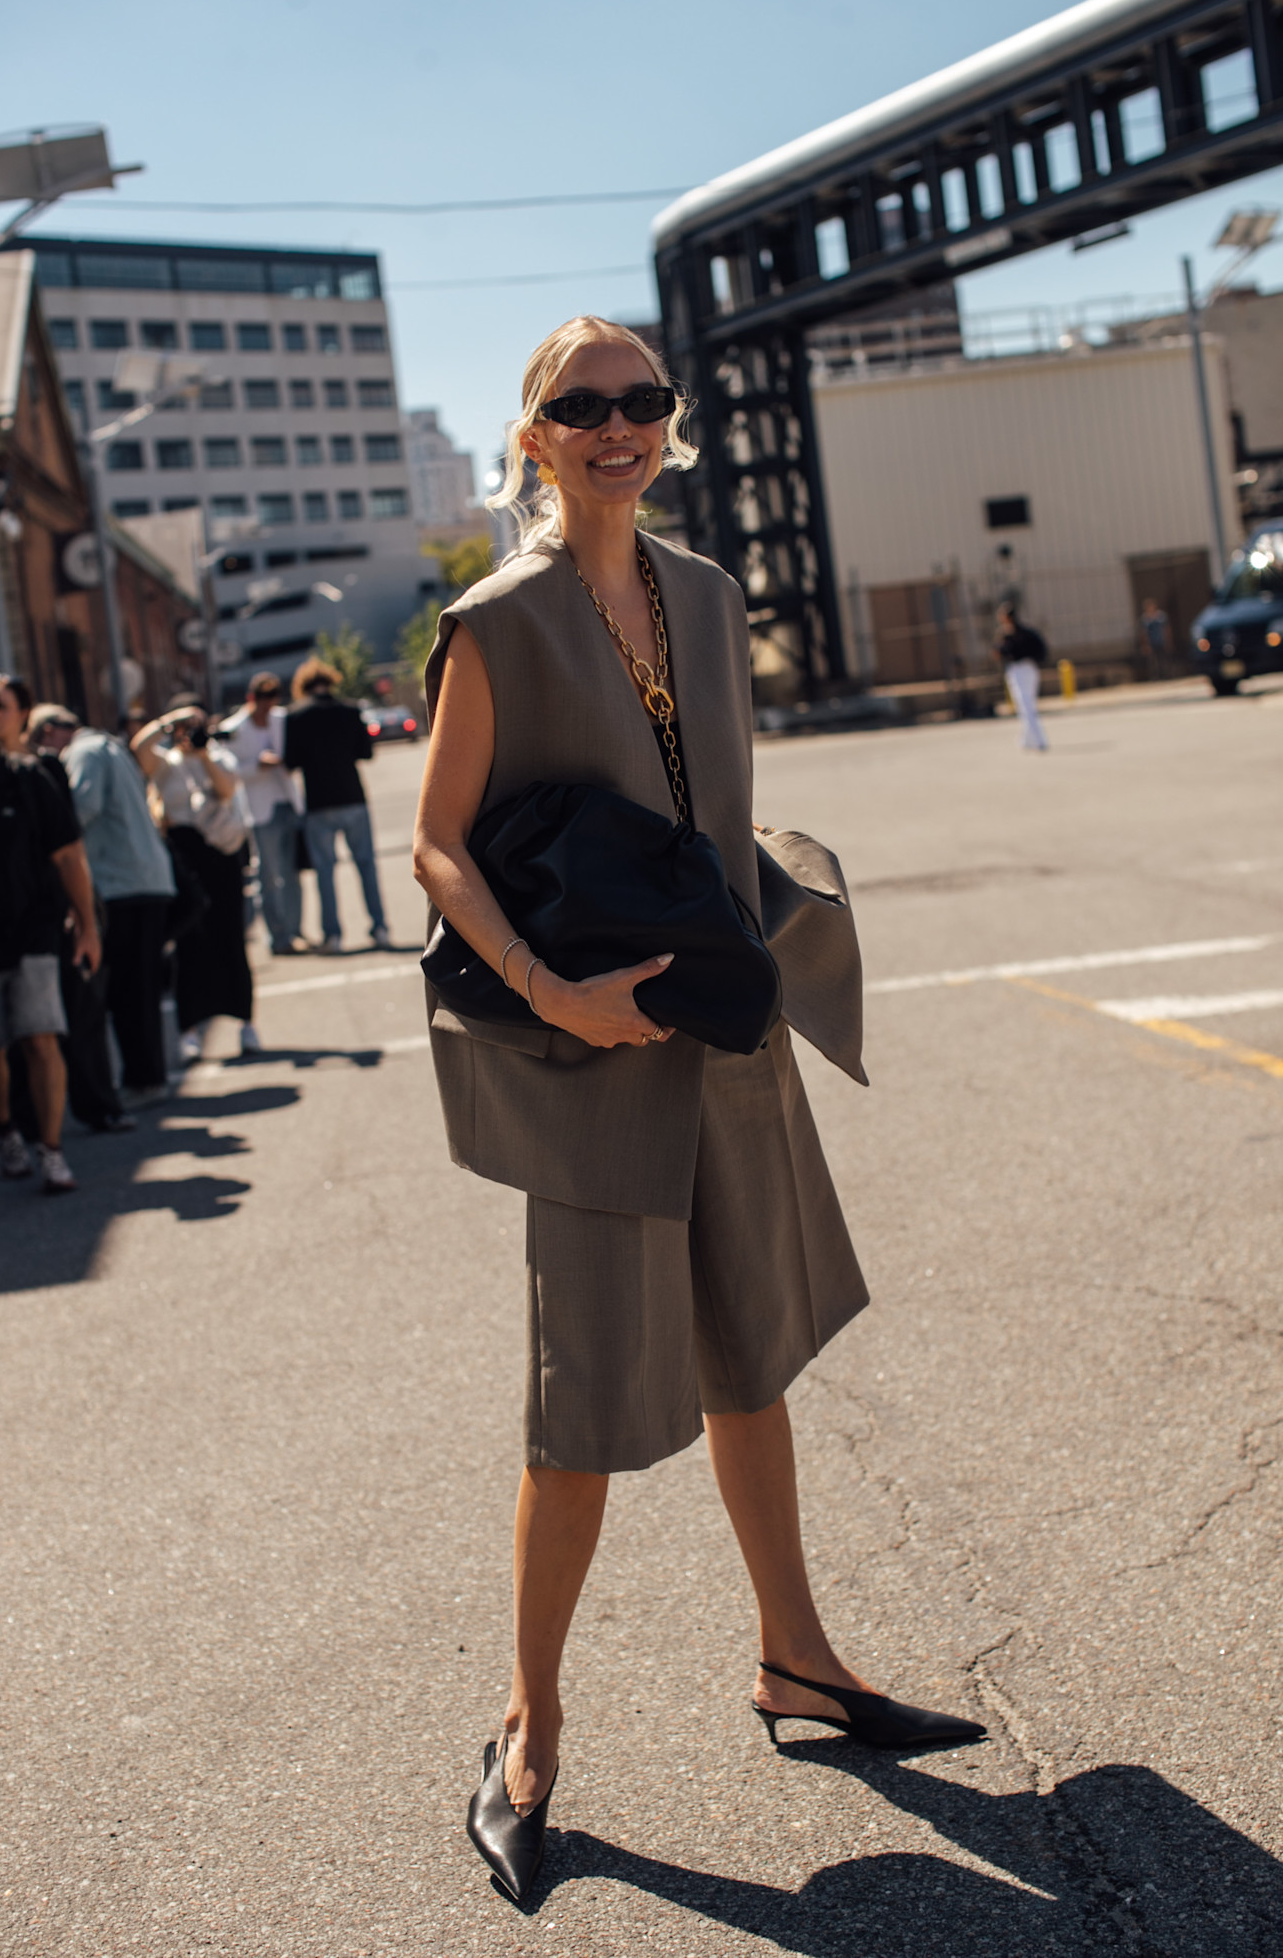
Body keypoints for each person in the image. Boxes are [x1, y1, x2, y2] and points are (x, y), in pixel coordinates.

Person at [412, 317, 984, 1903]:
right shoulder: (498, 620)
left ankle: (796, 1661)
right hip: (591, 1049)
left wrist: (778, 901)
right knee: (580, 1409)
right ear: (534, 438)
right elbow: (440, 847)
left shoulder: (713, 599)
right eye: (581, 406)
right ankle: (527, 1727)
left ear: (668, 426)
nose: (617, 425)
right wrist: (552, 993)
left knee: (750, 1355)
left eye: (641, 401)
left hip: (727, 1043)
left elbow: (699, 806)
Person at [0, 675, 100, 1194]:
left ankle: (51, 1149)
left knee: (42, 1038)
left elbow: (68, 856)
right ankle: (6, 1132)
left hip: (35, 931)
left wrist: (87, 926)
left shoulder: (28, 779)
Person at [0, 690, 136, 1138]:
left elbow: (71, 852)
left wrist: (84, 915)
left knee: (80, 1014)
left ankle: (99, 1107)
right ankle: (19, 1124)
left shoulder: (44, 771)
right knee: (10, 1034)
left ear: (20, 716)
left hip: (52, 918)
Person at [132, 704, 260, 1062]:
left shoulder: (218, 756)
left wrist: (203, 754)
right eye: (185, 729)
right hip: (182, 858)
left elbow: (226, 788)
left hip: (221, 857)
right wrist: (167, 721)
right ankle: (188, 1030)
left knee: (231, 937)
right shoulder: (165, 763)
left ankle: (246, 1023)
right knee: (188, 943)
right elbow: (139, 748)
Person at [63, 714, 177, 1108]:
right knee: (140, 988)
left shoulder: (85, 752)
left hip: (122, 884)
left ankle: (144, 1081)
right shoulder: (110, 747)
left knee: (129, 991)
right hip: (146, 879)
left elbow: (81, 809)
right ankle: (149, 1077)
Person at [283, 659, 391, 953]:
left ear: (303, 687)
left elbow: (290, 761)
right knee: (366, 865)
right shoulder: (351, 710)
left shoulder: (295, 716)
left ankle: (333, 935)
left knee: (325, 873)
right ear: (331, 681)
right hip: (353, 796)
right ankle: (379, 928)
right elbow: (366, 753)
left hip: (318, 801)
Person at [224, 671, 306, 954]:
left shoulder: (282, 719)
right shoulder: (233, 728)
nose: (268, 707)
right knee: (268, 876)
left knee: (292, 873)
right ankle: (278, 936)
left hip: (288, 801)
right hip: (260, 809)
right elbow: (228, 771)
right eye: (263, 701)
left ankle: (295, 930)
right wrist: (259, 764)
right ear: (252, 698)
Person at [995, 603, 1049, 751]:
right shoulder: (1027, 632)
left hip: (1019, 670)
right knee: (1027, 704)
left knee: (1025, 705)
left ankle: (1039, 740)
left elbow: (1001, 654)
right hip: (1030, 669)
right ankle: (1026, 740)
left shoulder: (1009, 635)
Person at [1139, 597, 1172, 680]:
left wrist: (1168, 641)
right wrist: (1145, 645)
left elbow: (1166, 629)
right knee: (1153, 661)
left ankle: (1165, 675)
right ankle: (1156, 676)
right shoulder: (1145, 618)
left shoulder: (1161, 616)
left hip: (1161, 640)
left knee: (1163, 659)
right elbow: (1143, 633)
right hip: (1151, 642)